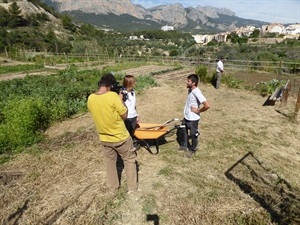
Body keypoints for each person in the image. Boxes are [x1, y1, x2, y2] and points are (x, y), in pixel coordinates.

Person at [87, 73, 138, 193]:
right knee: (129, 161)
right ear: (110, 85)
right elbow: (124, 116)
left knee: (110, 163)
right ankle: (132, 188)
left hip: (104, 139)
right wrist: (120, 100)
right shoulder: (112, 97)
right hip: (121, 137)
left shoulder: (91, 98)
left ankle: (113, 188)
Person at [178, 74, 210, 158]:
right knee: (183, 130)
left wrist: (198, 110)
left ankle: (192, 150)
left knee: (193, 135)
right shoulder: (190, 90)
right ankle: (184, 146)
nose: (186, 82)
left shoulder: (197, 92)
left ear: (193, 83)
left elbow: (207, 105)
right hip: (186, 117)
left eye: (188, 81)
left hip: (193, 119)